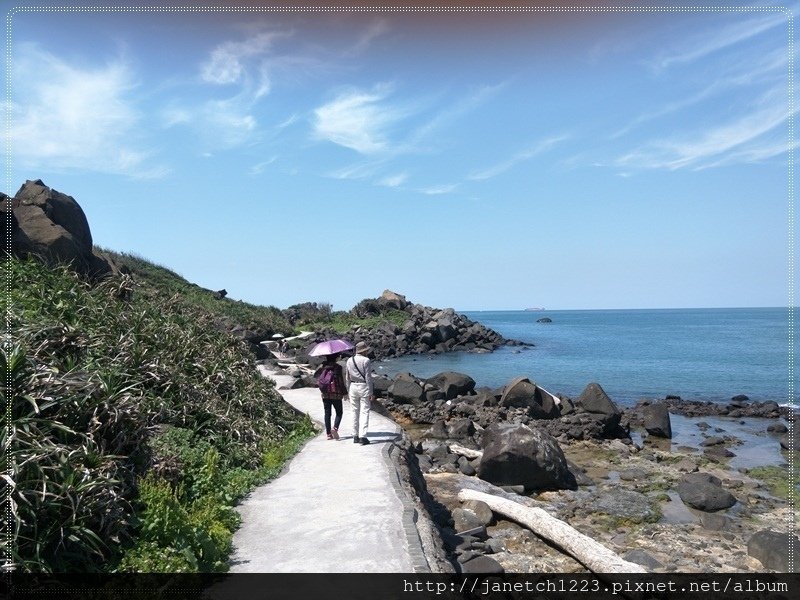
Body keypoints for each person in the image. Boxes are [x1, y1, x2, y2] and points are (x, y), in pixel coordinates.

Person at [344, 341, 373, 445]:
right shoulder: (366, 360)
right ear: (364, 351)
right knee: (365, 411)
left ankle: (355, 435)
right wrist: (371, 392)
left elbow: (347, 377)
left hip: (353, 386)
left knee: (354, 411)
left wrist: (347, 390)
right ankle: (363, 436)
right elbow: (368, 378)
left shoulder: (349, 360)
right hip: (363, 386)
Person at [317, 353, 346, 440]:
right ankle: (335, 428)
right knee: (339, 412)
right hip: (336, 394)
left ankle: (328, 434)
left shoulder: (323, 367)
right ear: (335, 358)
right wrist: (345, 393)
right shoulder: (338, 367)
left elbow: (318, 379)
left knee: (327, 413)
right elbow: (341, 382)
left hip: (325, 394)